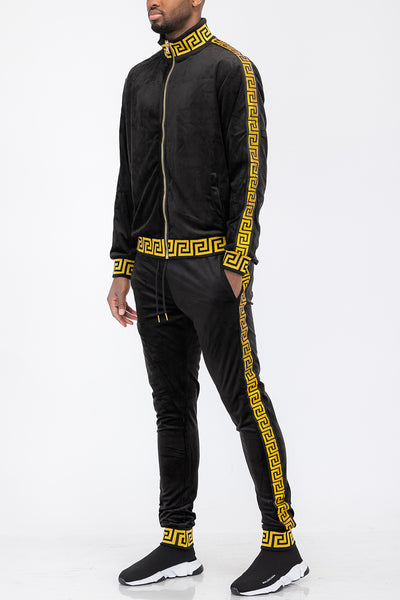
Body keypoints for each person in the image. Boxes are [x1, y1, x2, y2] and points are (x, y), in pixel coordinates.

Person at [106, 0, 309, 595]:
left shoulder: (230, 68)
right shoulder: (139, 79)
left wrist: (238, 261)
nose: (152, 0)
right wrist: (122, 265)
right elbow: (128, 175)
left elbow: (251, 166)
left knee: (246, 402)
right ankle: (177, 542)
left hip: (210, 266)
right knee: (171, 407)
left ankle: (283, 546)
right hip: (151, 268)